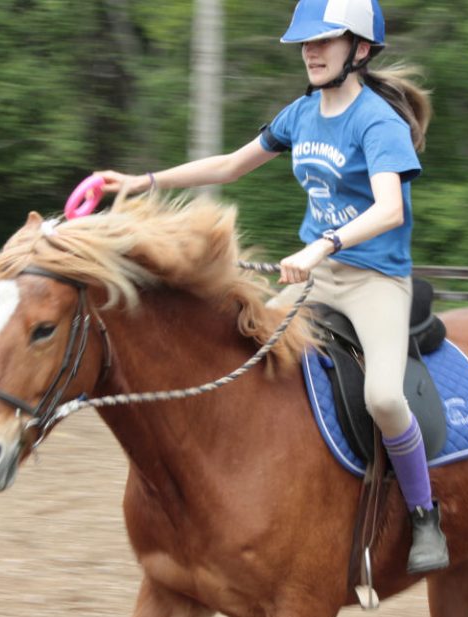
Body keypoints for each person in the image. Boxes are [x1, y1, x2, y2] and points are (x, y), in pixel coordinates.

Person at [95, 0, 448, 573]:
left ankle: (423, 513)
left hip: (374, 280)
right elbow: (231, 167)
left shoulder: (378, 123)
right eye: (305, 43)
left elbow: (388, 210)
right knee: (242, 349)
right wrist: (145, 180)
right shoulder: (301, 114)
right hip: (316, 275)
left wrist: (321, 246)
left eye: (324, 41)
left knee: (384, 397)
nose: (310, 51)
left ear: (359, 50)